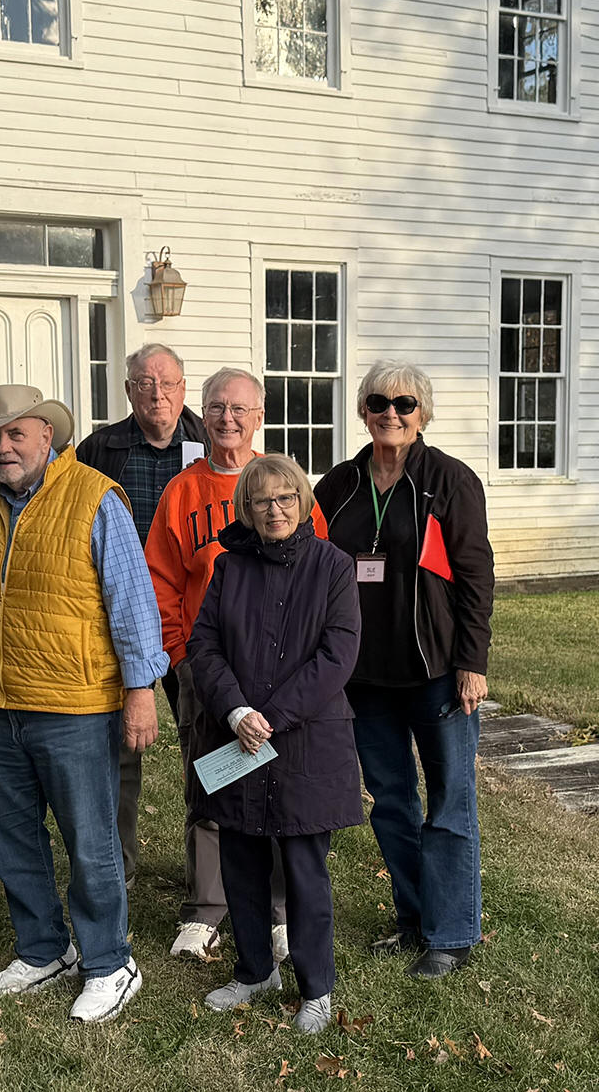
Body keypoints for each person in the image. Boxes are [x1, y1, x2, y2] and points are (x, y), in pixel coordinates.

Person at [0, 384, 168, 1025]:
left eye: (16, 433)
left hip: (74, 704)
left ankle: (109, 963)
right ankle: (44, 948)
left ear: (48, 436)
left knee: (90, 840)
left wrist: (140, 691)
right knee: (10, 835)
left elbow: (132, 600)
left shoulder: (96, 497)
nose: (3, 446)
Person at [315, 361, 495, 980]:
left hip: (437, 672)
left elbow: (476, 577)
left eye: (404, 403)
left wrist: (472, 662)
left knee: (449, 803)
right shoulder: (339, 485)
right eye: (378, 402)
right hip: (364, 678)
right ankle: (415, 917)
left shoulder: (449, 481)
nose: (390, 412)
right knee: (390, 802)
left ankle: (452, 933)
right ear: (363, 411)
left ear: (422, 414)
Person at [144, 368, 328, 960]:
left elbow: (317, 575)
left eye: (240, 409)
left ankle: (278, 909)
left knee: (279, 784)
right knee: (211, 779)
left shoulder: (288, 487)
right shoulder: (183, 492)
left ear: (260, 415)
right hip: (208, 668)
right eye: (218, 408)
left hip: (281, 674)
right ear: (203, 415)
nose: (228, 419)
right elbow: (161, 580)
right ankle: (207, 907)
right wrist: (181, 657)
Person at [186, 453, 360, 1033]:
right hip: (237, 737)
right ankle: (255, 970)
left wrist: (272, 717)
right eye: (261, 501)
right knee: (240, 860)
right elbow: (203, 646)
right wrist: (236, 711)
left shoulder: (334, 565)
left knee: (305, 871)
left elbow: (338, 655)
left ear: (303, 502)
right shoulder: (229, 567)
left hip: (306, 741)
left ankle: (316, 988)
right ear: (247, 509)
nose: (275, 509)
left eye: (285, 498)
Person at [73, 343, 206, 886]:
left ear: (183, 387)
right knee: (120, 748)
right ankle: (118, 866)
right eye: (145, 383)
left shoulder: (211, 439)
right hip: (117, 622)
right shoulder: (100, 449)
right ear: (128, 390)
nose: (158, 394)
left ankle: (209, 873)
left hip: (188, 622)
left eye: (168, 383)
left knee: (204, 744)